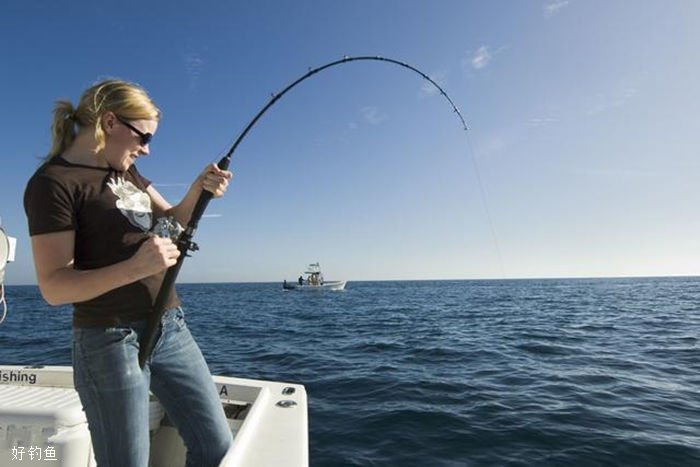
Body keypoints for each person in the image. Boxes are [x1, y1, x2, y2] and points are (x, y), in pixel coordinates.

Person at [23, 79, 234, 467]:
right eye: (144, 136)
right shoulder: (52, 184)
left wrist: (198, 190)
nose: (147, 149)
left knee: (218, 449)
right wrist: (134, 268)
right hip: (108, 339)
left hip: (171, 327)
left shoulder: (127, 171)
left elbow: (172, 220)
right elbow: (54, 286)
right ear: (109, 122)